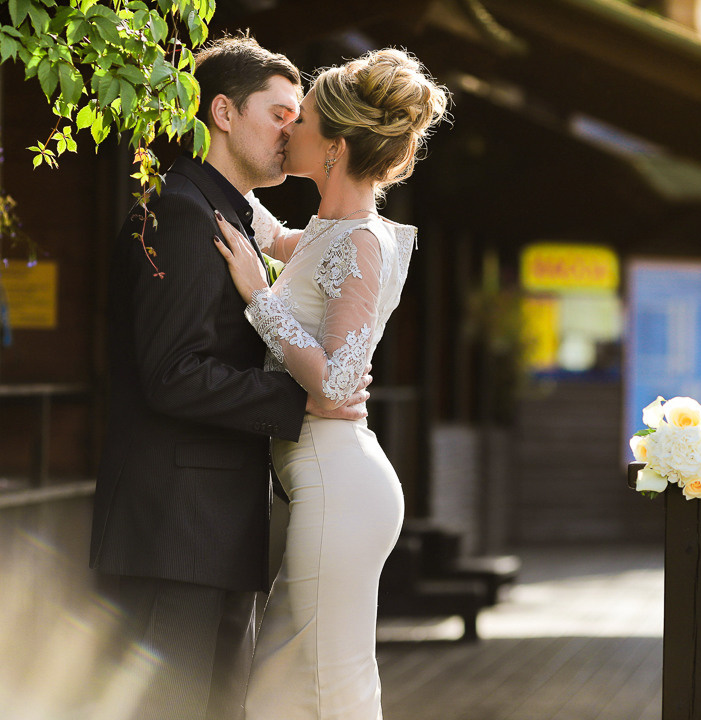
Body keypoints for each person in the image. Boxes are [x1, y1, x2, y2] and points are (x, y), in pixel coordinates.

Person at [89, 36, 370, 720]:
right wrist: (300, 397)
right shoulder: (181, 214)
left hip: (211, 532)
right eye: (279, 114)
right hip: (173, 536)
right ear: (222, 111)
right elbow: (173, 374)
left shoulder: (232, 213)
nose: (292, 130)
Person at [213, 48, 449, 719]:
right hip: (322, 481)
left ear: (335, 148)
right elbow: (277, 236)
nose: (291, 131)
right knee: (289, 688)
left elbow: (337, 386)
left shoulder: (362, 243)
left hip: (338, 485)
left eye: (304, 119)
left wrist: (260, 297)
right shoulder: (330, 230)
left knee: (323, 686)